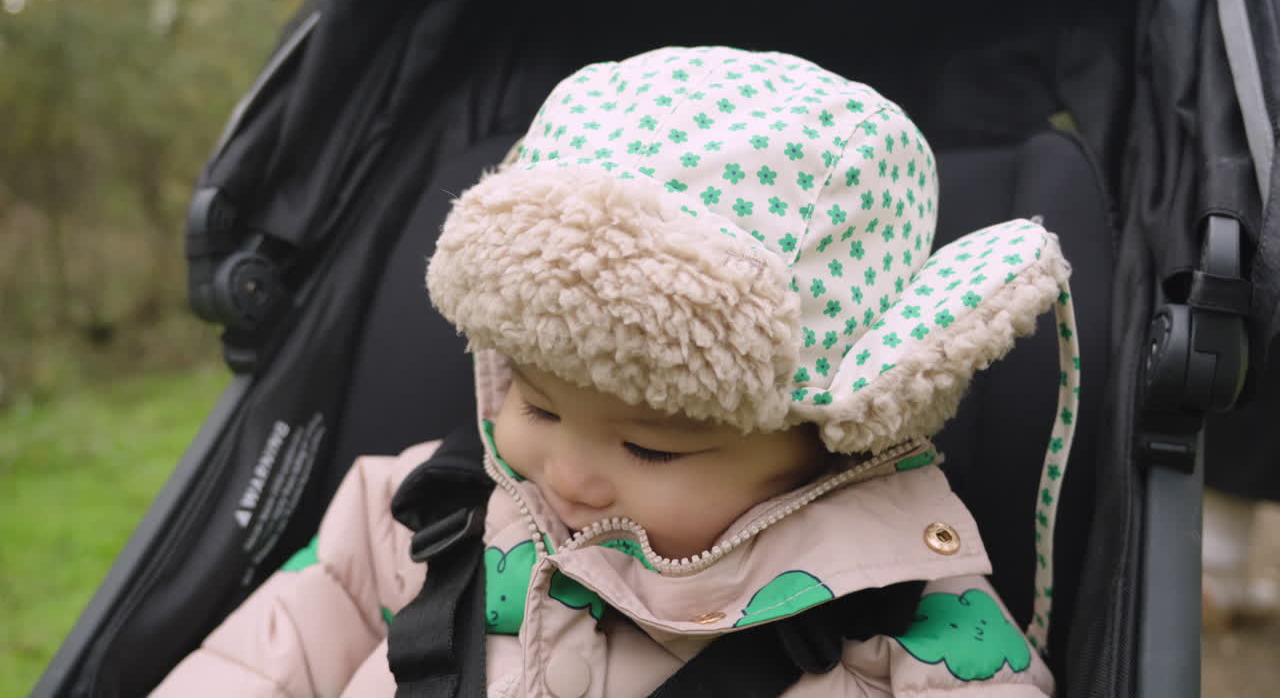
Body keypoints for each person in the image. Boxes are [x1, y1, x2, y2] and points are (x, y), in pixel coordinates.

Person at [153, 46, 1077, 697]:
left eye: (650, 448)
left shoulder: (909, 628)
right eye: (535, 405)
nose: (567, 475)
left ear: (833, 438)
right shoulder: (412, 513)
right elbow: (262, 662)